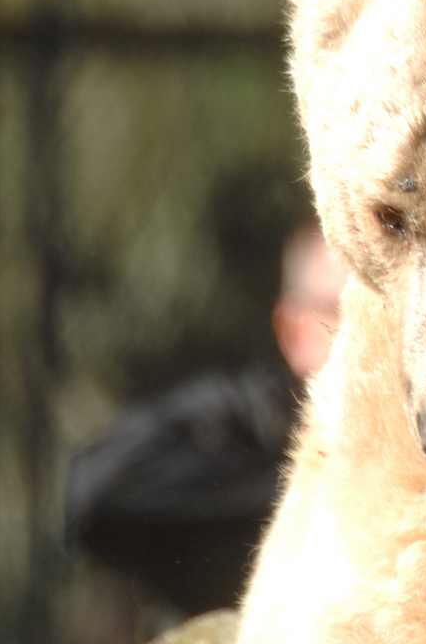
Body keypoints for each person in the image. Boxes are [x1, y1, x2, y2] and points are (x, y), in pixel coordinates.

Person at [63, 223, 345, 616]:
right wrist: (300, 482)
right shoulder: (243, 418)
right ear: (292, 329)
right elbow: (92, 489)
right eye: (339, 310)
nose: (359, 331)